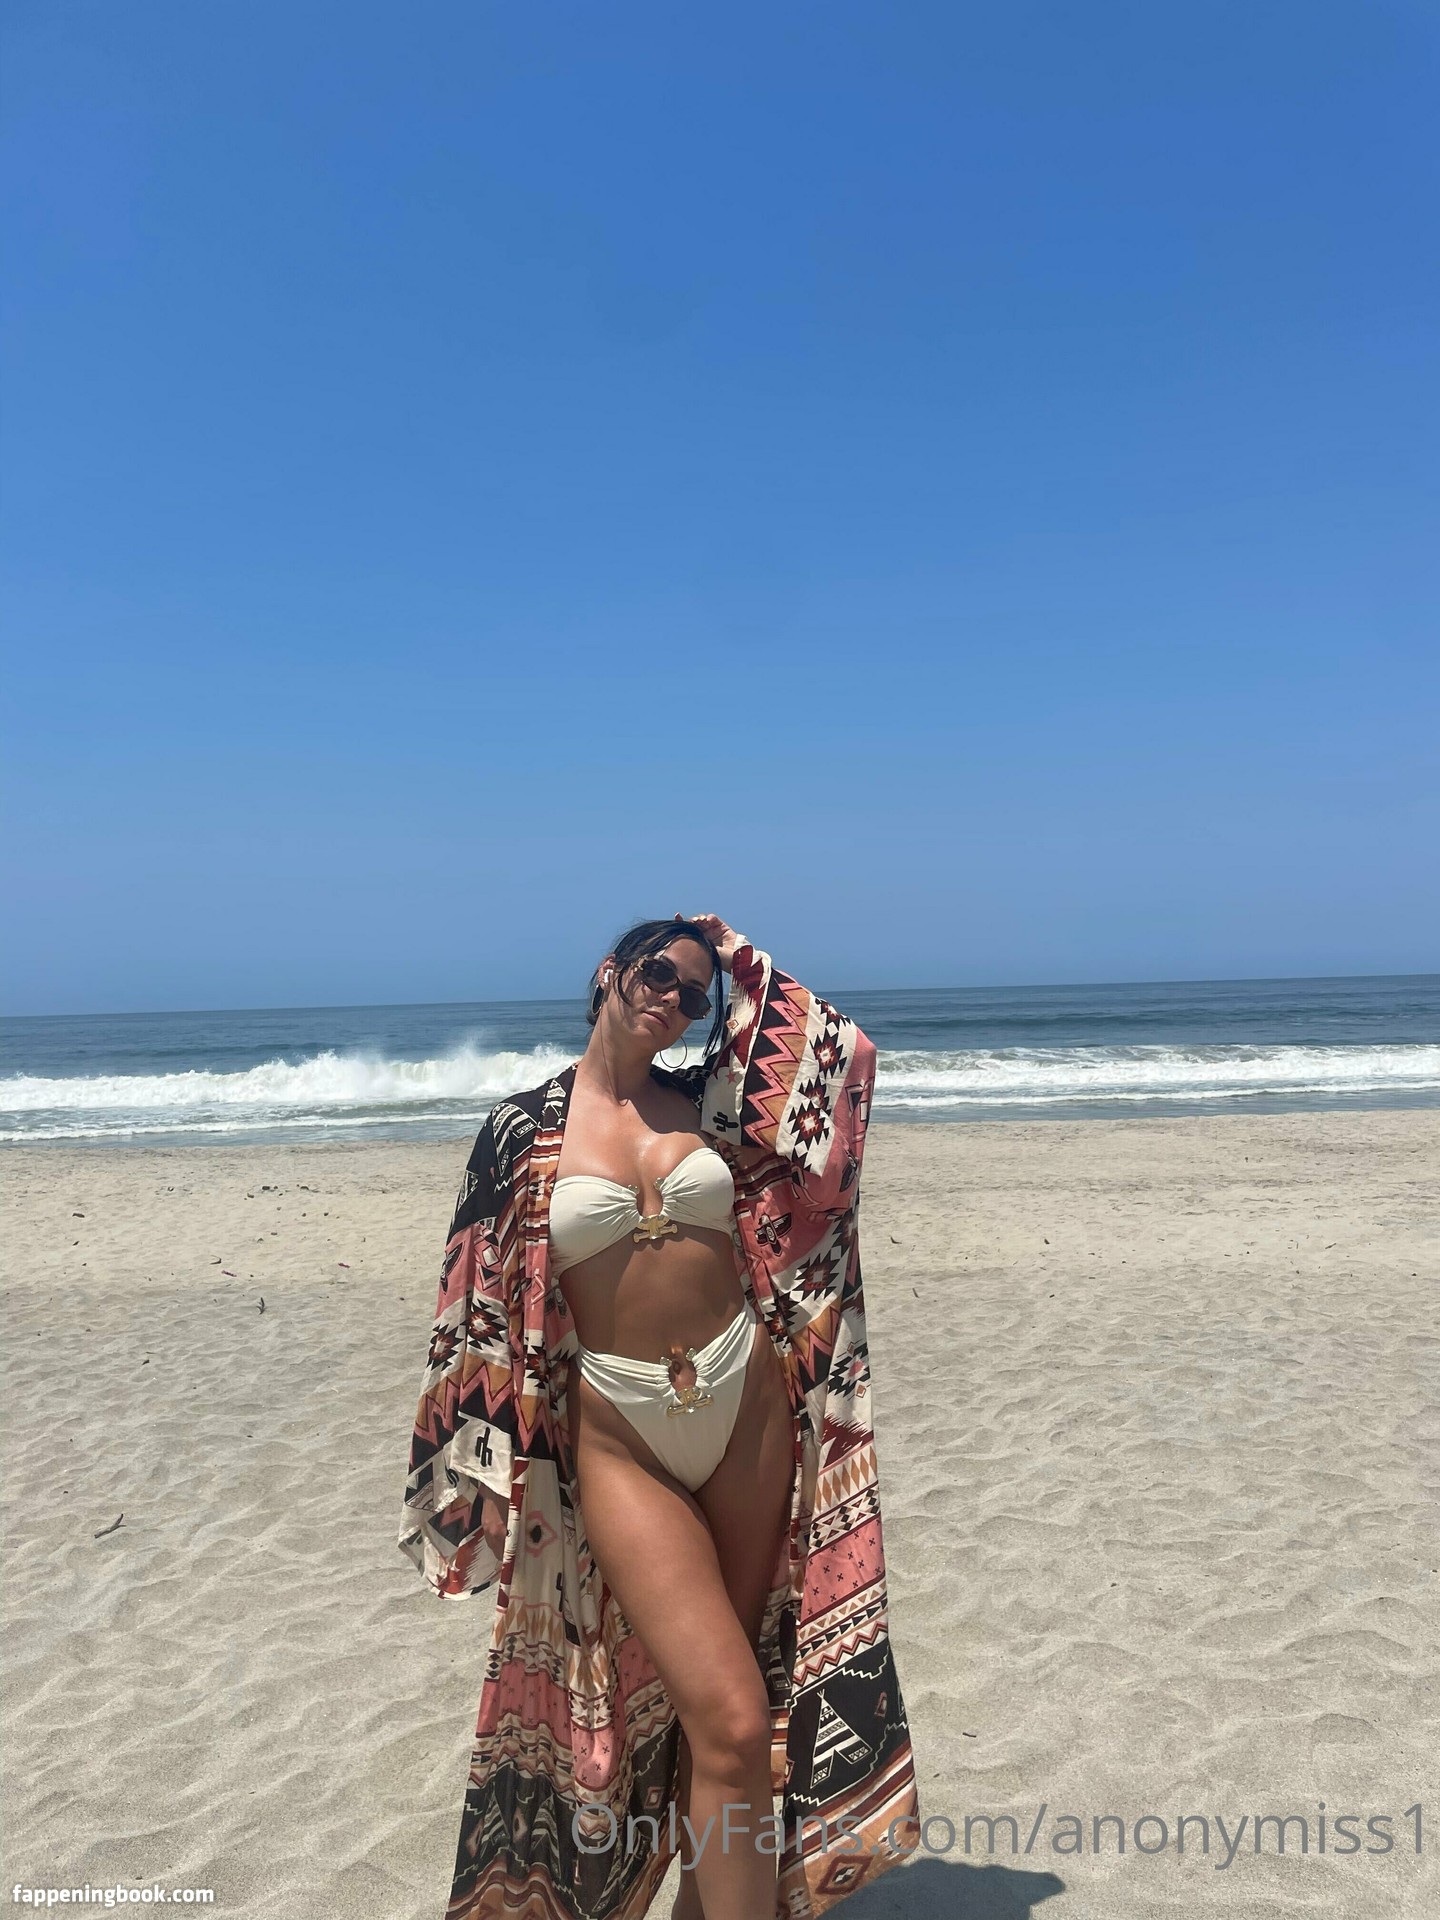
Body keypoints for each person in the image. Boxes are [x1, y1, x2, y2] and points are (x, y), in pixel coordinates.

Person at [399, 914, 918, 1920]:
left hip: (747, 1407)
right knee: (732, 1717)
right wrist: (480, 1463)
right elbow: (472, 1295)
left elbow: (845, 1064)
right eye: (655, 975)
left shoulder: (715, 1104)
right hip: (620, 1433)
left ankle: (703, 1902)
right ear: (608, 973)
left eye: (693, 995)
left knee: (731, 1702)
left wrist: (732, 952)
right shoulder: (521, 1127)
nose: (673, 1001)